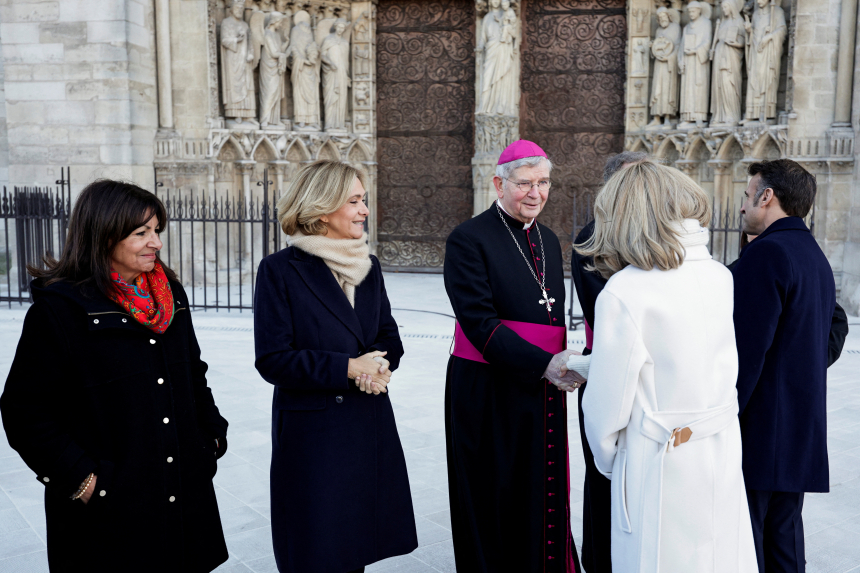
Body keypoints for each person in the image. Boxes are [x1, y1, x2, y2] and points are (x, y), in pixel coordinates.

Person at [0, 180, 229, 573]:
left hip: (181, 493)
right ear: (103, 235)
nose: (155, 242)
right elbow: (25, 412)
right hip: (110, 515)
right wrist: (87, 484)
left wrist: (210, 438)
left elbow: (193, 371)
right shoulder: (61, 311)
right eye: (141, 232)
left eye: (156, 230)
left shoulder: (170, 295)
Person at [577, 161, 757, 572]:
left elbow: (606, 412)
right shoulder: (718, 275)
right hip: (720, 446)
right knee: (718, 556)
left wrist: (617, 461)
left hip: (659, 458)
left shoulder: (625, 292)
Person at [254, 160, 418, 573]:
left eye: (364, 200)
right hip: (314, 437)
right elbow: (273, 359)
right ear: (323, 208)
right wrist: (348, 367)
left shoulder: (369, 266)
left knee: (354, 547)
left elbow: (388, 335)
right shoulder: (279, 270)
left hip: (366, 424)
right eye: (355, 201)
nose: (365, 210)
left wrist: (377, 365)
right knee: (317, 550)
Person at [444, 139, 583, 573]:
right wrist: (544, 363)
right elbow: (479, 322)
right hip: (486, 390)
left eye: (543, 183)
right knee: (493, 489)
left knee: (537, 487)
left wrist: (562, 359)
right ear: (498, 184)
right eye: (525, 183)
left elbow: (549, 312)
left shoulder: (547, 238)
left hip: (540, 387)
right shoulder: (468, 239)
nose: (536, 193)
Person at [731, 159, 836, 571]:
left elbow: (746, 352)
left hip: (761, 430)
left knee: (751, 543)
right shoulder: (812, 253)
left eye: (746, 195)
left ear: (767, 196)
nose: (743, 206)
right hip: (798, 426)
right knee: (785, 543)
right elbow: (827, 333)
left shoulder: (768, 253)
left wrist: (723, 416)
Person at [569, 149, 647, 573]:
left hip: (649, 379)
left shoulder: (653, 233)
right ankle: (600, 561)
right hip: (608, 372)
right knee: (604, 479)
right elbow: (610, 314)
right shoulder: (591, 238)